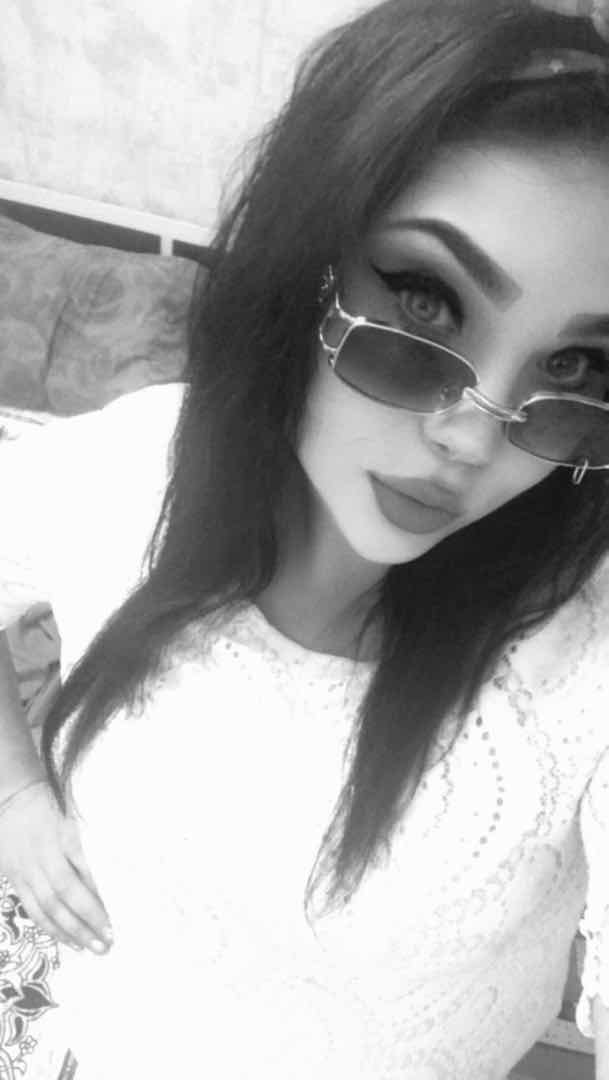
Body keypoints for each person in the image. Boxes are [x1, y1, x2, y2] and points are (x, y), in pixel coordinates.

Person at [2, 0, 609, 1076]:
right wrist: (15, 797)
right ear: (301, 263)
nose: (472, 438)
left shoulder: (582, 641)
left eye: (574, 371)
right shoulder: (129, 470)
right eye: (423, 305)